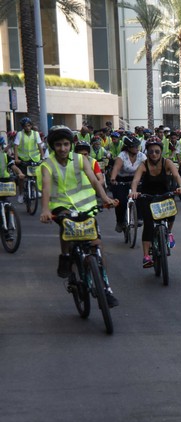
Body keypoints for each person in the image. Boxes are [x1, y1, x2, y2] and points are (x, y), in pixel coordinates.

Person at [38, 125, 119, 305]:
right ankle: (65, 257)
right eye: (58, 145)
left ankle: (106, 287)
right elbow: (46, 186)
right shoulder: (47, 165)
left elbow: (94, 181)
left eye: (66, 144)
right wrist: (45, 210)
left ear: (71, 145)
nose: (63, 148)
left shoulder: (81, 160)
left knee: (97, 245)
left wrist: (106, 198)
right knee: (66, 226)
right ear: (52, 146)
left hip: (86, 205)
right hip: (61, 206)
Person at [129, 136, 181, 267]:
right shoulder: (143, 165)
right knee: (148, 225)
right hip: (147, 197)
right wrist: (134, 191)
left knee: (171, 214)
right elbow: (136, 181)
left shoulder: (167, 163)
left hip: (165, 195)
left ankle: (169, 232)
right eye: (150, 152)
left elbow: (177, 176)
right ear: (147, 152)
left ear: (161, 152)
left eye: (157, 151)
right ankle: (146, 256)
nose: (154, 154)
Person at [108, 135, 146, 233]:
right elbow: (116, 168)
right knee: (121, 201)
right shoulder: (122, 155)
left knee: (141, 197)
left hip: (136, 179)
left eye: (138, 146)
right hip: (121, 180)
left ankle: (140, 217)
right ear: (128, 148)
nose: (137, 148)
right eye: (134, 146)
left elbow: (147, 169)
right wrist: (113, 179)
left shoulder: (141, 156)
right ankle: (120, 222)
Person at [13, 117, 45, 204]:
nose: (27, 127)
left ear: (31, 125)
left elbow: (39, 146)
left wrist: (43, 157)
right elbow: (15, 146)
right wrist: (16, 158)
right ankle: (21, 194)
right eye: (25, 126)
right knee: (22, 177)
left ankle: (34, 189)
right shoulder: (20, 134)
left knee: (36, 174)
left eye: (29, 125)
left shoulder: (36, 134)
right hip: (23, 159)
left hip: (34, 158)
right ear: (23, 127)